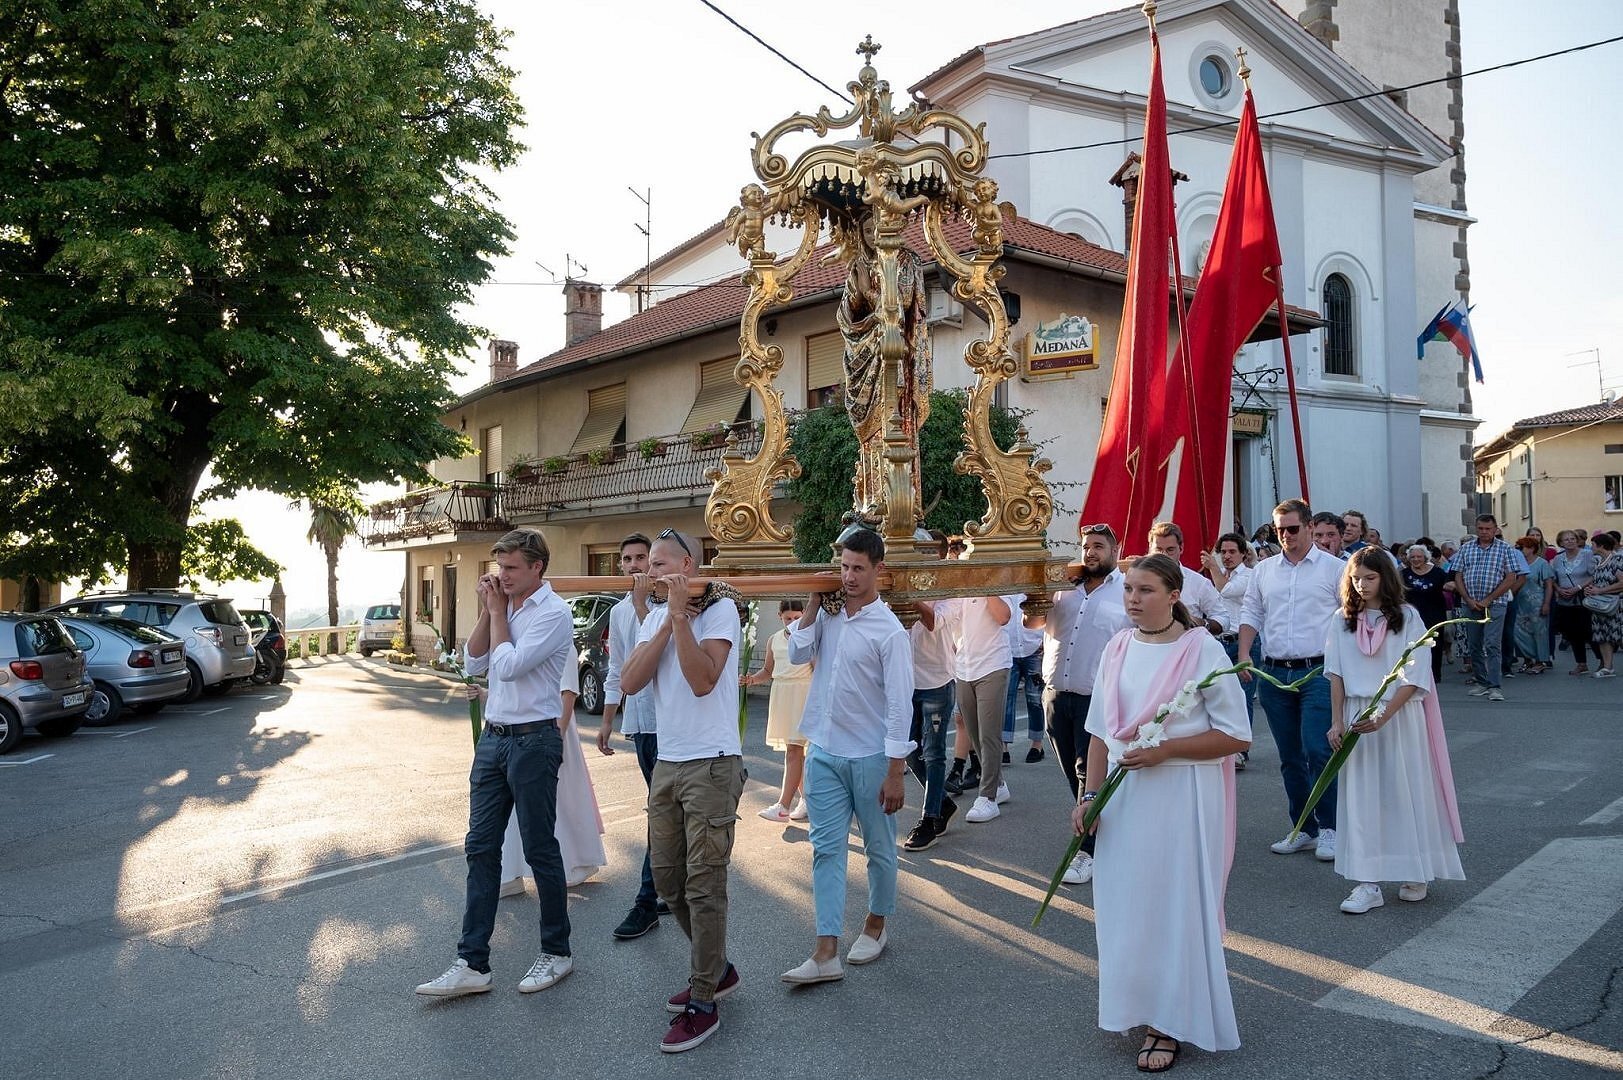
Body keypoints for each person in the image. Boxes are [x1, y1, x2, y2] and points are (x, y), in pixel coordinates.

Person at [1075, 554, 1249, 1071]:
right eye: (1129, 588)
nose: (1133, 598)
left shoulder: (1203, 651)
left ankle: (1169, 1022)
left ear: (1174, 595)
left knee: (1174, 906)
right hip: (1125, 802)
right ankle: (1135, 1003)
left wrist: (1166, 750)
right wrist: (1089, 797)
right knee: (1128, 906)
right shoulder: (1118, 647)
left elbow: (1236, 735)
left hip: (1182, 800)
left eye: (1145, 590)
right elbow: (1100, 732)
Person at [416, 528, 576, 999]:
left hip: (534, 740)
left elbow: (507, 666)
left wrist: (499, 613)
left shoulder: (554, 613)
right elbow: (474, 661)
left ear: (536, 568)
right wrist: (490, 611)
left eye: (511, 569)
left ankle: (557, 951)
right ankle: (472, 962)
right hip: (494, 738)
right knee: (480, 847)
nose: (501, 577)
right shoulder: (503, 606)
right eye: (499, 568)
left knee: (539, 847)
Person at [620, 529, 744, 1053]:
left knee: (703, 884)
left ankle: (703, 999)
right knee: (668, 883)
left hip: (712, 763)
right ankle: (717, 968)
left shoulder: (721, 612)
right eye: (649, 566)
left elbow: (701, 680)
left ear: (688, 567)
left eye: (661, 564)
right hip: (668, 762)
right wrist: (666, 621)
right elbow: (629, 682)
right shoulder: (653, 616)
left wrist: (677, 619)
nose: (651, 573)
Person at [781, 526, 915, 984]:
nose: (850, 576)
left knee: (879, 848)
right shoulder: (829, 615)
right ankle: (825, 952)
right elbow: (798, 653)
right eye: (844, 567)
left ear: (879, 570)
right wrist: (815, 605)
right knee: (826, 850)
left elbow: (901, 705)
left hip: (872, 757)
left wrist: (896, 772)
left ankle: (876, 925)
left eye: (859, 568)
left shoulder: (890, 632)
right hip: (823, 752)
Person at [1326, 548, 1464, 914]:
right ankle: (1366, 881)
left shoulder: (1408, 617)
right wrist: (1337, 720)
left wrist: (1384, 714)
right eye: (1356, 578)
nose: (1362, 584)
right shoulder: (1341, 620)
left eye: (1370, 577)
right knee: (1361, 798)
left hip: (1398, 716)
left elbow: (1416, 674)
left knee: (1404, 791)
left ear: (1386, 578)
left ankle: (1413, 869)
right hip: (1358, 714)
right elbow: (1336, 674)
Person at [1239, 499, 1345, 861]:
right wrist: (1243, 655)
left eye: (1293, 528)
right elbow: (1251, 611)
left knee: (1318, 749)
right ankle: (1304, 826)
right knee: (1290, 757)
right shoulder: (1264, 570)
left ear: (1309, 526)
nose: (1286, 535)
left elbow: (1349, 618)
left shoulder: (1334, 569)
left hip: (1318, 672)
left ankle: (1330, 827)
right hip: (1273, 672)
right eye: (1279, 529)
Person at [1033, 522, 1132, 885]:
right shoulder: (1065, 590)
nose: (1090, 552)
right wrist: (1037, 593)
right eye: (1086, 546)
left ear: (1115, 551)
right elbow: (1032, 624)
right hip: (1056, 695)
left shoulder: (1124, 592)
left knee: (1084, 772)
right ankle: (1095, 822)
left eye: (1099, 546)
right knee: (1071, 771)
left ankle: (1085, 851)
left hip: (1098, 697)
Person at [594, 534, 667, 940]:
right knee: (663, 812)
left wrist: (643, 607)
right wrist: (608, 720)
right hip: (641, 724)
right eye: (627, 559)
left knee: (660, 813)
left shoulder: (673, 605)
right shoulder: (621, 612)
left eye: (643, 558)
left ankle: (647, 901)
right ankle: (668, 888)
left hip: (671, 726)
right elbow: (620, 668)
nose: (636, 565)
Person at [494, 657, 606, 893]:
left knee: (561, 803)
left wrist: (557, 738)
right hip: (529, 731)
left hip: (552, 730)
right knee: (524, 805)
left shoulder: (559, 633)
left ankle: (576, 862)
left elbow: (568, 694)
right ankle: (511, 870)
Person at [903, 577, 961, 851]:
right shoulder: (900, 591)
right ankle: (942, 802)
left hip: (937, 683)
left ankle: (929, 817)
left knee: (934, 753)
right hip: (906, 683)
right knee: (909, 750)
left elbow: (934, 621)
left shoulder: (950, 592)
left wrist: (907, 595)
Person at [747, 600, 814, 822]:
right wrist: (751, 680)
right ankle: (806, 801)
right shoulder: (773, 639)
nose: (793, 622)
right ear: (780, 617)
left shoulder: (809, 637)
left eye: (797, 618)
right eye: (788, 618)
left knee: (794, 751)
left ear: (804, 615)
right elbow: (768, 670)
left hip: (802, 693)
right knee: (795, 752)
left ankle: (783, 806)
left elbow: (818, 668)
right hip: (782, 695)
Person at [1452, 514, 1524, 702]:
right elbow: (1458, 575)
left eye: (1488, 529)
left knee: (1492, 644)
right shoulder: (1466, 548)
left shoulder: (1505, 549)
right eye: (1481, 528)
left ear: (1495, 529)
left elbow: (1511, 578)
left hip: (1495, 604)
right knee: (1474, 644)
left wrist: (1488, 599)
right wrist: (1467, 598)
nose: (1484, 532)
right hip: (1470, 603)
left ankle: (1495, 686)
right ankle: (1482, 682)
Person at [957, 587, 1014, 822]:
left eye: (961, 546)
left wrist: (982, 583)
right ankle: (998, 784)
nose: (958, 551)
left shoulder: (997, 578)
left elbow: (1003, 616)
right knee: (974, 731)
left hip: (993, 664)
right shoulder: (954, 581)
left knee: (989, 734)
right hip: (963, 666)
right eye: (955, 547)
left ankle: (987, 798)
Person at [1203, 531, 1258, 766]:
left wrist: (1212, 567)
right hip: (1221, 642)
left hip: (1243, 642)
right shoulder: (1220, 575)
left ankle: (1241, 748)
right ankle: (1224, 743)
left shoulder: (1250, 575)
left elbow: (1226, 590)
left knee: (1243, 697)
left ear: (1243, 554)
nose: (1226, 556)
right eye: (1223, 552)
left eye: (1232, 551)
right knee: (1219, 695)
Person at [1147, 522, 1224, 635]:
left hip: (1187, 647)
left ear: (1181, 548)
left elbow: (1222, 618)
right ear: (1150, 549)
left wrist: (1202, 623)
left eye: (1170, 550)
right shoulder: (1136, 581)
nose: (1164, 555)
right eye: (1158, 549)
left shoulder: (1198, 583)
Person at [1002, 592, 1047, 764]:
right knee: (1007, 698)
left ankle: (1037, 744)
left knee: (1035, 698)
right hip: (1009, 649)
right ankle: (1004, 745)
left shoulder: (1030, 587)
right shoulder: (1004, 588)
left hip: (1034, 647)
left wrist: (1044, 639)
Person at [1401, 544, 1452, 684]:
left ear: (1425, 558)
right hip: (1412, 617)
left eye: (1419, 557)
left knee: (1434, 646)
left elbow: (1449, 584)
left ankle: (1435, 675)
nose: (1416, 559)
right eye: (1413, 557)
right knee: (1413, 646)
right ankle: (1415, 675)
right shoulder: (1404, 574)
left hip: (1434, 614)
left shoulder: (1437, 572)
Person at [1551, 529, 1598, 675]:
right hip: (1566, 600)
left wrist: (1578, 587)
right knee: (1572, 632)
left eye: (1573, 538)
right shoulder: (1558, 558)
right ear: (1561, 542)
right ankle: (1581, 663)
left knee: (1588, 631)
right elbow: (1553, 578)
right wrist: (1558, 589)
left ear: (1578, 540)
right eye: (1566, 539)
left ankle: (1603, 661)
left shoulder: (1587, 554)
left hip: (1584, 598)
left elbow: (1594, 575)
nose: (1570, 541)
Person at [1582, 531, 1623, 678]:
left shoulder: (1617, 559)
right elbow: (1597, 581)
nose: (1591, 547)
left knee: (1618, 635)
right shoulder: (1600, 561)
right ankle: (1607, 667)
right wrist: (1590, 590)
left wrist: (1600, 590)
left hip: (1615, 604)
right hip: (1600, 605)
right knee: (1602, 635)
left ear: (1601, 546)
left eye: (1593, 545)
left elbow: (1622, 582)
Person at [1512, 537, 1554, 674]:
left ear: (1531, 548)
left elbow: (1548, 585)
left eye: (1521, 547)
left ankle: (1540, 661)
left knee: (1539, 632)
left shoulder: (1542, 563)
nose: (1518, 550)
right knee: (1518, 631)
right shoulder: (1516, 563)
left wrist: (1546, 603)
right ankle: (1527, 659)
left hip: (1537, 602)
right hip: (1520, 602)